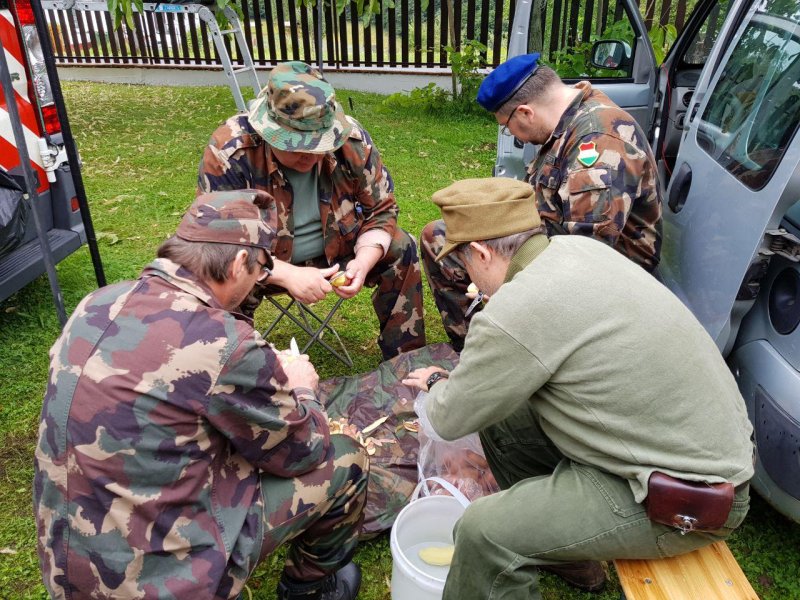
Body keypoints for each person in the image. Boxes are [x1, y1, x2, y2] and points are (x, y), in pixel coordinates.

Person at [404, 178, 753, 599]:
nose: (466, 273)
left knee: (483, 533)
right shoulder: (577, 250)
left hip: (683, 497)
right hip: (687, 451)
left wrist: (439, 380)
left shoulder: (516, 311)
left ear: (480, 253)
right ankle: (565, 552)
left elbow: (448, 418)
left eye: (464, 261)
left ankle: (524, 543)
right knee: (505, 418)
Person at [33, 190, 368, 600]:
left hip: (68, 566)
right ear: (240, 262)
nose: (258, 281)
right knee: (346, 457)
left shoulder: (95, 304)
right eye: (262, 270)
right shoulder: (226, 342)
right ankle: (308, 589)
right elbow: (304, 451)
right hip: (162, 583)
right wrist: (302, 387)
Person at [420, 53, 663, 350]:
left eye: (508, 127)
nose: (514, 136)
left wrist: (505, 280)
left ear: (525, 112)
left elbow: (585, 260)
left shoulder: (598, 142)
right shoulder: (568, 122)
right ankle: (478, 349)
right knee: (441, 238)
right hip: (547, 247)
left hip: (603, 283)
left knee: (462, 249)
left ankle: (504, 353)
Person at [198, 61, 425, 361]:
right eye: (296, 145)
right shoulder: (230, 152)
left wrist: (364, 258)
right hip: (258, 263)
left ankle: (407, 365)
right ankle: (234, 373)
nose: (311, 154)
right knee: (210, 280)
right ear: (269, 132)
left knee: (401, 246)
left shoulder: (352, 142)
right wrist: (286, 274)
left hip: (336, 253)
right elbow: (217, 243)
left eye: (320, 144)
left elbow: (382, 209)